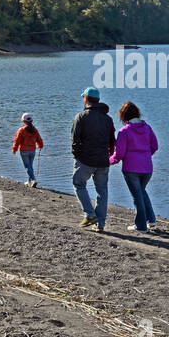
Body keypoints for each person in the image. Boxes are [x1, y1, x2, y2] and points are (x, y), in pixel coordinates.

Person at [109, 101, 159, 232]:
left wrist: (108, 161)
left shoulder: (124, 131)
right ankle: (151, 220)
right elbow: (155, 146)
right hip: (147, 168)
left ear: (123, 116)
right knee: (141, 192)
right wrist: (146, 155)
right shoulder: (147, 128)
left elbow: (119, 154)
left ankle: (141, 226)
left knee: (137, 196)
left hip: (131, 169)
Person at [70, 87, 115, 232]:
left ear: (86, 99)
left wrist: (76, 156)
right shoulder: (108, 119)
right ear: (98, 100)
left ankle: (90, 214)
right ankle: (100, 223)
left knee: (78, 183)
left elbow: (75, 140)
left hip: (86, 160)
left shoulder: (81, 116)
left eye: (83, 97)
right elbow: (112, 141)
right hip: (103, 161)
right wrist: (109, 155)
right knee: (102, 192)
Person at [12, 113, 44, 187]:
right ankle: (29, 182)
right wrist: (40, 145)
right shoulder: (35, 130)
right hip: (32, 151)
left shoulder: (21, 130)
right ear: (31, 121)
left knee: (27, 167)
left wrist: (14, 148)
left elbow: (17, 140)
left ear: (23, 121)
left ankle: (33, 179)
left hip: (24, 151)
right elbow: (39, 139)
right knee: (30, 166)